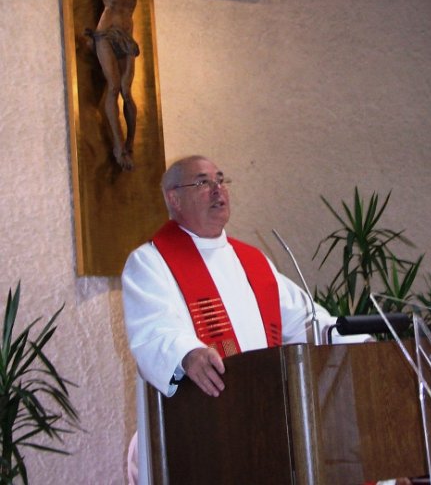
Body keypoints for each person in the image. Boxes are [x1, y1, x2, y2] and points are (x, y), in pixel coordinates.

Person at [122, 155, 369, 398]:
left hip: (264, 403)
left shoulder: (253, 261)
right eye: (203, 182)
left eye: (221, 180)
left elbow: (305, 322)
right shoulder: (150, 262)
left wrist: (359, 341)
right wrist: (188, 354)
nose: (217, 189)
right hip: (201, 405)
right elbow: (154, 331)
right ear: (174, 198)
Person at [13, 0, 184, 171]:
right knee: (113, 87)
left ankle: (130, 144)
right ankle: (118, 147)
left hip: (126, 36)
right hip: (105, 32)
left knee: (127, 91)